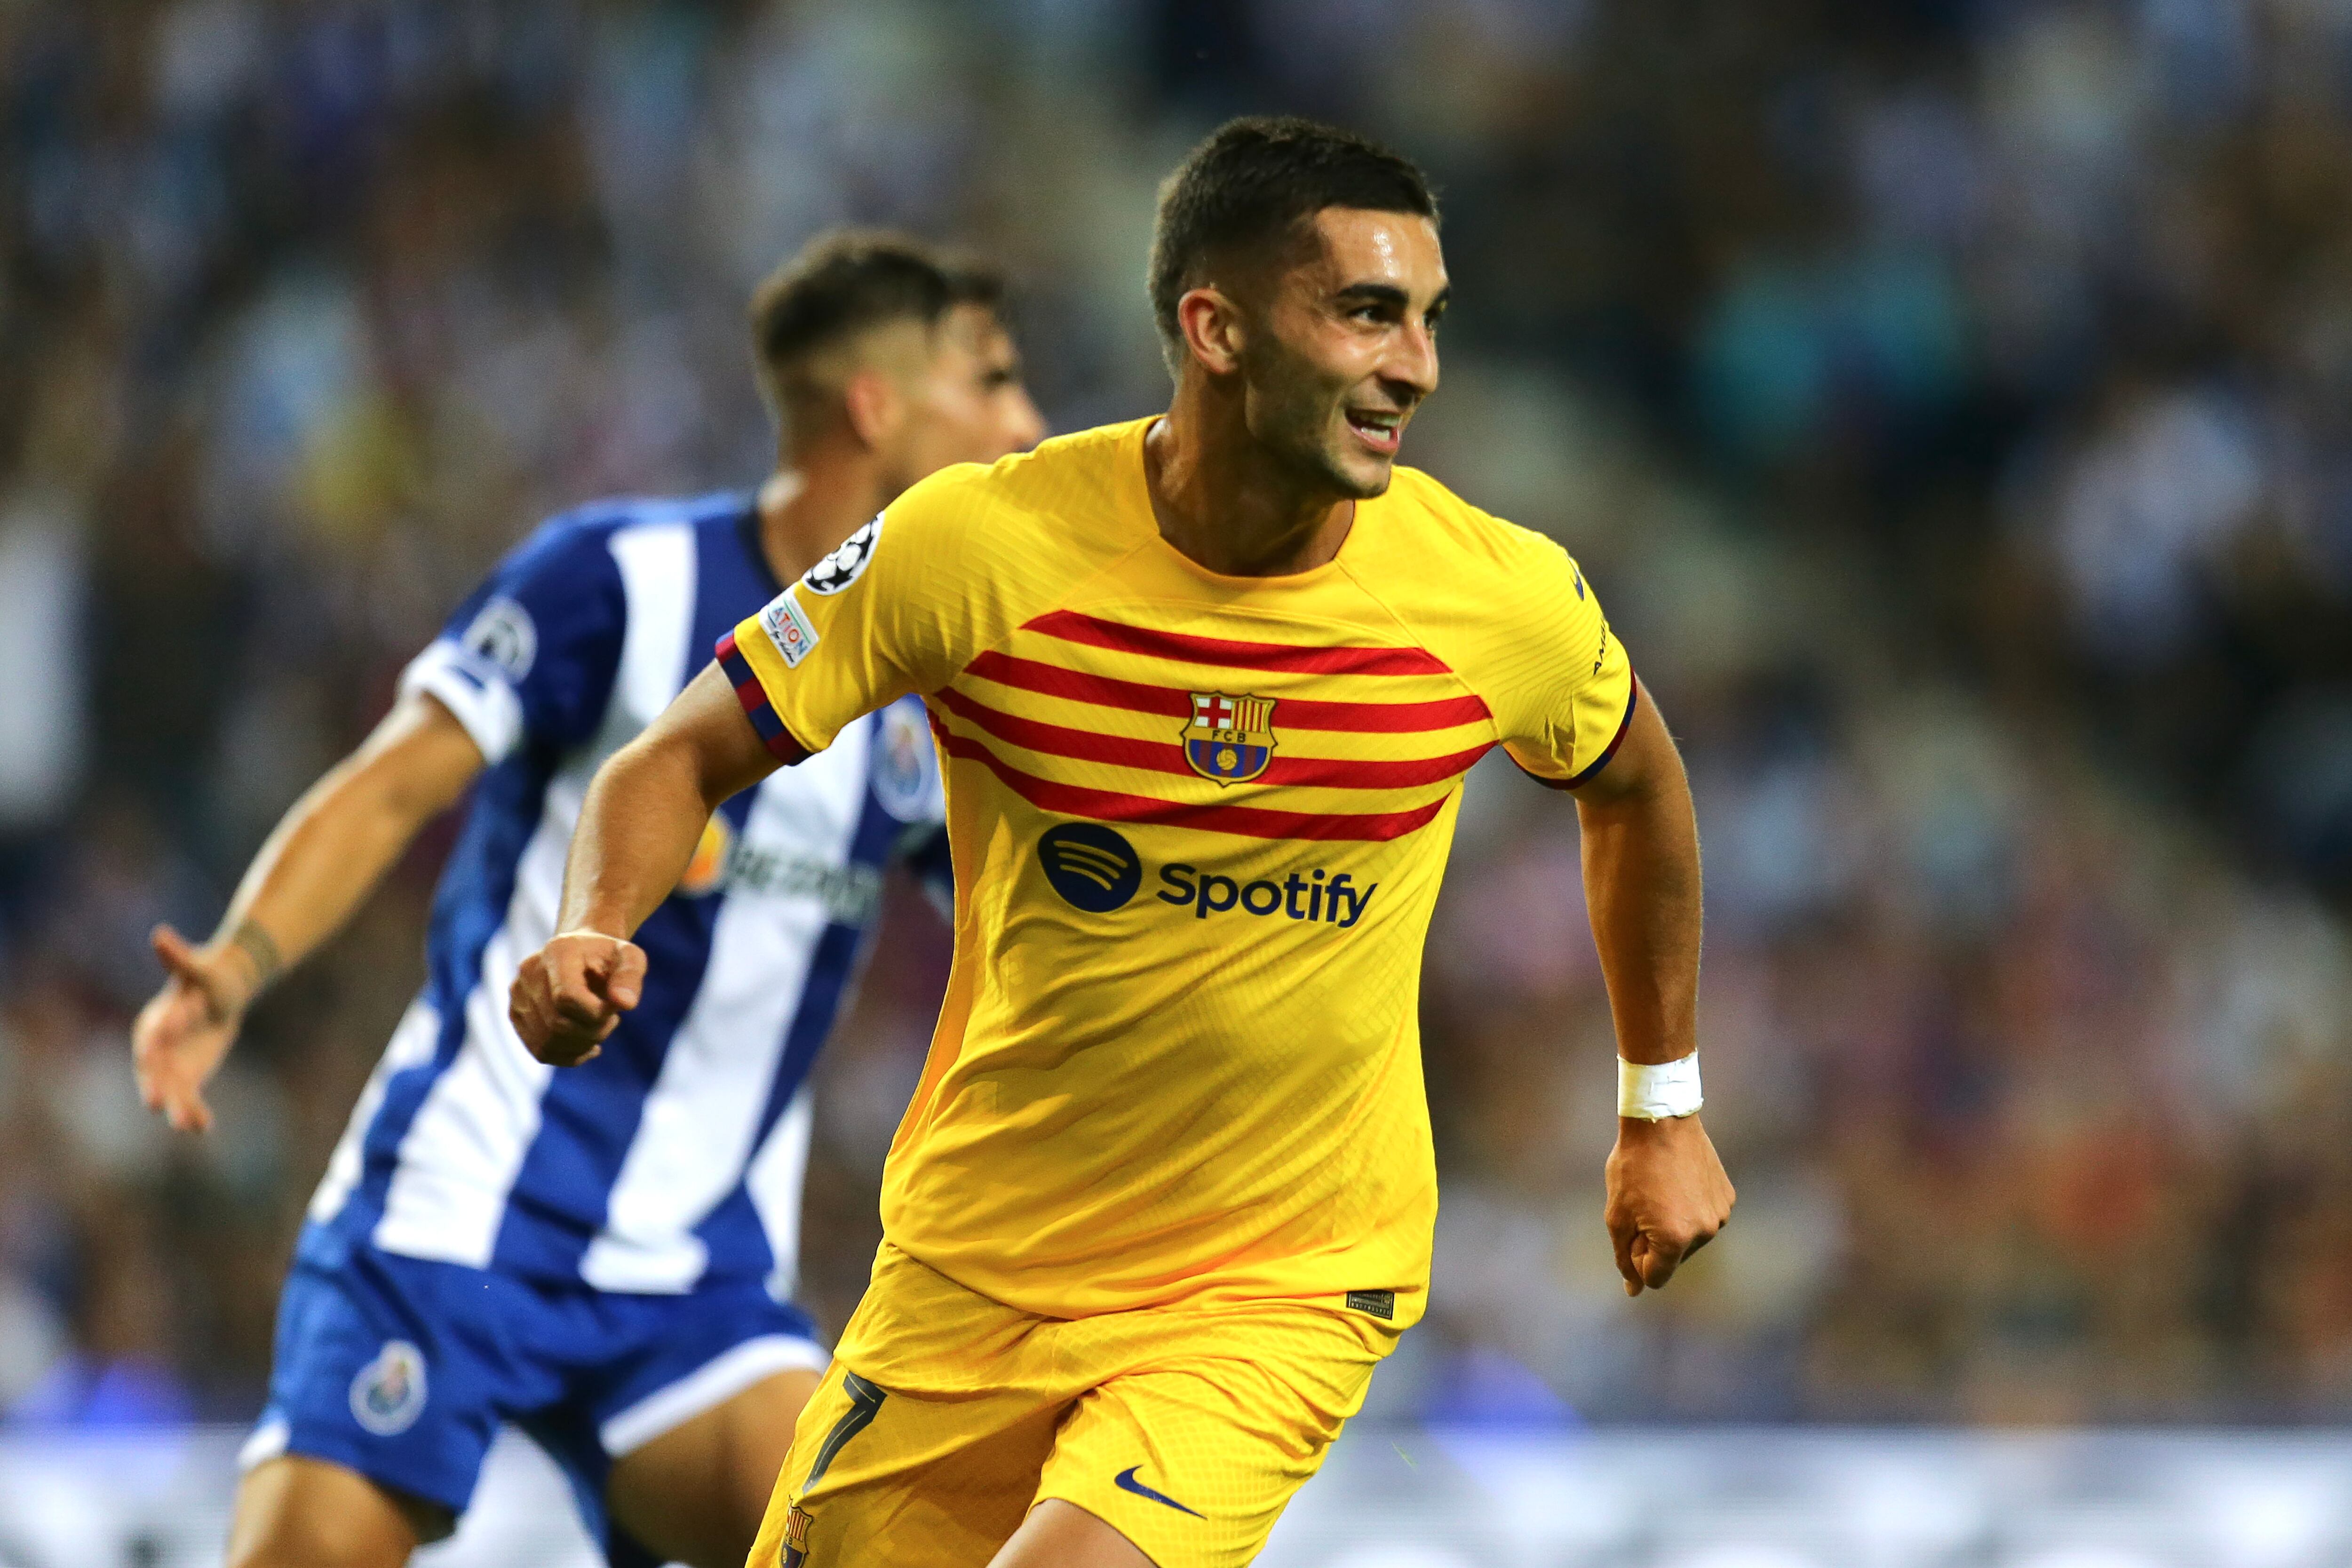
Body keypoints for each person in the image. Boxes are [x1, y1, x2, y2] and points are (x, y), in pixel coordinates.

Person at [510, 118, 1733, 1568]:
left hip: (1278, 1283)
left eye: (1427, 319)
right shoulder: (977, 546)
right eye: (1365, 313)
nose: (1417, 365)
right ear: (1214, 328)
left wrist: (1662, 1105)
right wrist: (594, 925)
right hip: (978, 1265)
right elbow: (679, 754)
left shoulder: (1497, 597)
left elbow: (1639, 791)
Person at [129, 231, 1045, 1568]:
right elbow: (392, 786)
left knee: (887, 1549)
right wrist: (239, 961)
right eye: (994, 381)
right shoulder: (619, 579)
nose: (1026, 424)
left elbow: (1030, 919)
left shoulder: (940, 682)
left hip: (696, 1281)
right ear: (878, 407)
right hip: (457, 1211)